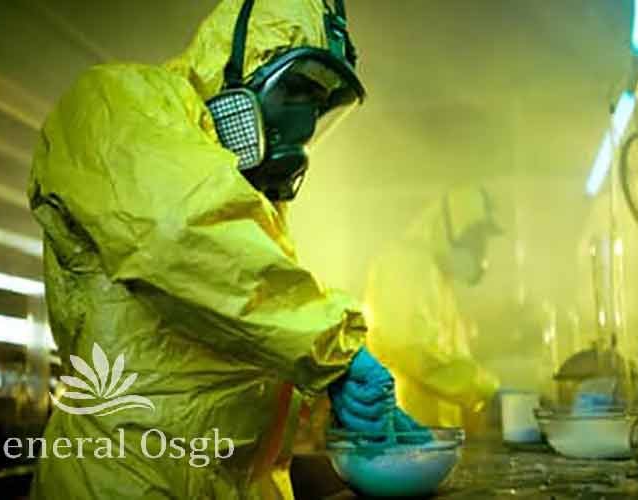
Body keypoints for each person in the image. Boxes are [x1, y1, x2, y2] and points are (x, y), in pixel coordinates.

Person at [27, 1, 416, 498]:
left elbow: (232, 353)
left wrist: (326, 400)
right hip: (124, 481)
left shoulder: (246, 198)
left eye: (319, 106)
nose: (304, 124)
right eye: (297, 90)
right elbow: (177, 233)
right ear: (236, 65)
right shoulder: (116, 102)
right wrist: (332, 351)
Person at [365, 187, 502, 431]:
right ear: (451, 229)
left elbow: (446, 354)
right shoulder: (406, 265)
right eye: (475, 238)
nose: (481, 251)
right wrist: (483, 390)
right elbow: (411, 348)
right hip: (403, 431)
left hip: (427, 434)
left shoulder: (436, 274)